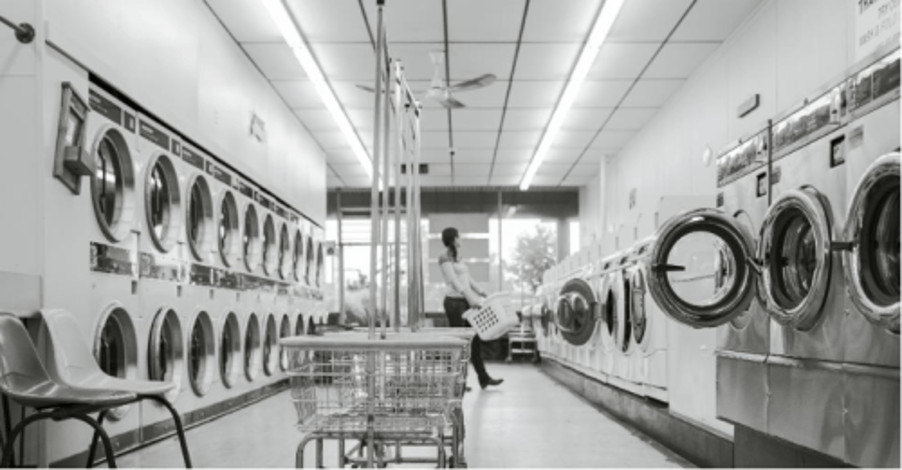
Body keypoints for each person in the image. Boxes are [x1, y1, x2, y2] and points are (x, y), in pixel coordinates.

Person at [439, 227, 503, 389]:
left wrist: (482, 292)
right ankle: (457, 383)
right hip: (454, 303)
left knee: (474, 341)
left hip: (465, 302)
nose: (460, 239)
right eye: (459, 236)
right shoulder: (444, 257)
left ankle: (483, 378)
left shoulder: (458, 258)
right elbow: (454, 281)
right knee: (460, 344)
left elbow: (468, 279)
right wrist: (470, 297)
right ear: (454, 239)